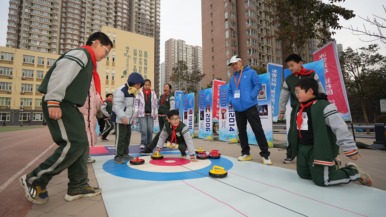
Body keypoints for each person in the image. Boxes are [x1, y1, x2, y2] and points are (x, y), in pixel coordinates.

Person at [19, 32, 113, 205]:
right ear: (96, 43)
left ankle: (78, 186)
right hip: (61, 103)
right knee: (74, 143)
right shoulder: (81, 53)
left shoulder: (89, 62)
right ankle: (34, 179)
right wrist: (53, 100)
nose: (105, 56)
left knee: (82, 143)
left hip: (71, 106)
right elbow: (61, 74)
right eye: (106, 51)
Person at [289, 78, 372, 186]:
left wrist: (350, 148)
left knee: (322, 180)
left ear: (310, 91)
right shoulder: (299, 108)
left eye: (298, 91)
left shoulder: (324, 106)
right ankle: (333, 165)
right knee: (303, 174)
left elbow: (340, 127)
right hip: (303, 149)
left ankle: (353, 171)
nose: (296, 94)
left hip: (318, 149)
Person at [279, 54, 325, 164]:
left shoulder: (312, 74)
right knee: (293, 133)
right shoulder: (289, 79)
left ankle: (317, 155)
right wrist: (282, 110)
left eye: (292, 65)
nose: (290, 68)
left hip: (312, 109)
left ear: (300, 63)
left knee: (313, 132)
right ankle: (290, 155)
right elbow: (283, 96)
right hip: (297, 110)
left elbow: (320, 90)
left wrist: (323, 103)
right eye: (288, 66)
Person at [227, 55, 272, 165]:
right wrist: (232, 101)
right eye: (232, 65)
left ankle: (265, 154)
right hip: (238, 108)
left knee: (257, 129)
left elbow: (257, 85)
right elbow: (229, 92)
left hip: (250, 106)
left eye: (236, 63)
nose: (234, 66)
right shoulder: (232, 79)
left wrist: (251, 97)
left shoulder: (251, 73)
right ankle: (245, 153)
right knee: (241, 131)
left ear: (241, 62)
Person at [112, 72, 144, 164]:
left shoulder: (133, 92)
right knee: (120, 137)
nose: (139, 86)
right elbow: (116, 106)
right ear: (133, 82)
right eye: (138, 84)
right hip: (120, 119)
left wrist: (132, 118)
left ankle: (125, 153)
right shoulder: (121, 90)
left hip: (128, 120)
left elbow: (132, 107)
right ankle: (118, 155)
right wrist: (123, 117)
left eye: (140, 85)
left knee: (127, 137)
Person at [140, 83, 175, 154]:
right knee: (161, 129)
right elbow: (156, 104)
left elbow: (172, 107)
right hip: (160, 115)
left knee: (166, 130)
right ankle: (162, 142)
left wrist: (170, 116)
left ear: (169, 89)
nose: (165, 88)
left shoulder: (171, 97)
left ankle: (168, 142)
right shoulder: (161, 96)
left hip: (166, 116)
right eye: (164, 86)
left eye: (167, 87)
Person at [135, 79, 158, 149]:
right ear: (143, 85)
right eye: (145, 85)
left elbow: (155, 103)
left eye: (148, 85)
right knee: (144, 129)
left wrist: (156, 111)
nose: (147, 86)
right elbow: (136, 103)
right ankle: (143, 143)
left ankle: (149, 143)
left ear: (150, 85)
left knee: (150, 130)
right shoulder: (139, 93)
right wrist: (136, 111)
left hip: (150, 114)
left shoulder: (153, 93)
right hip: (142, 114)